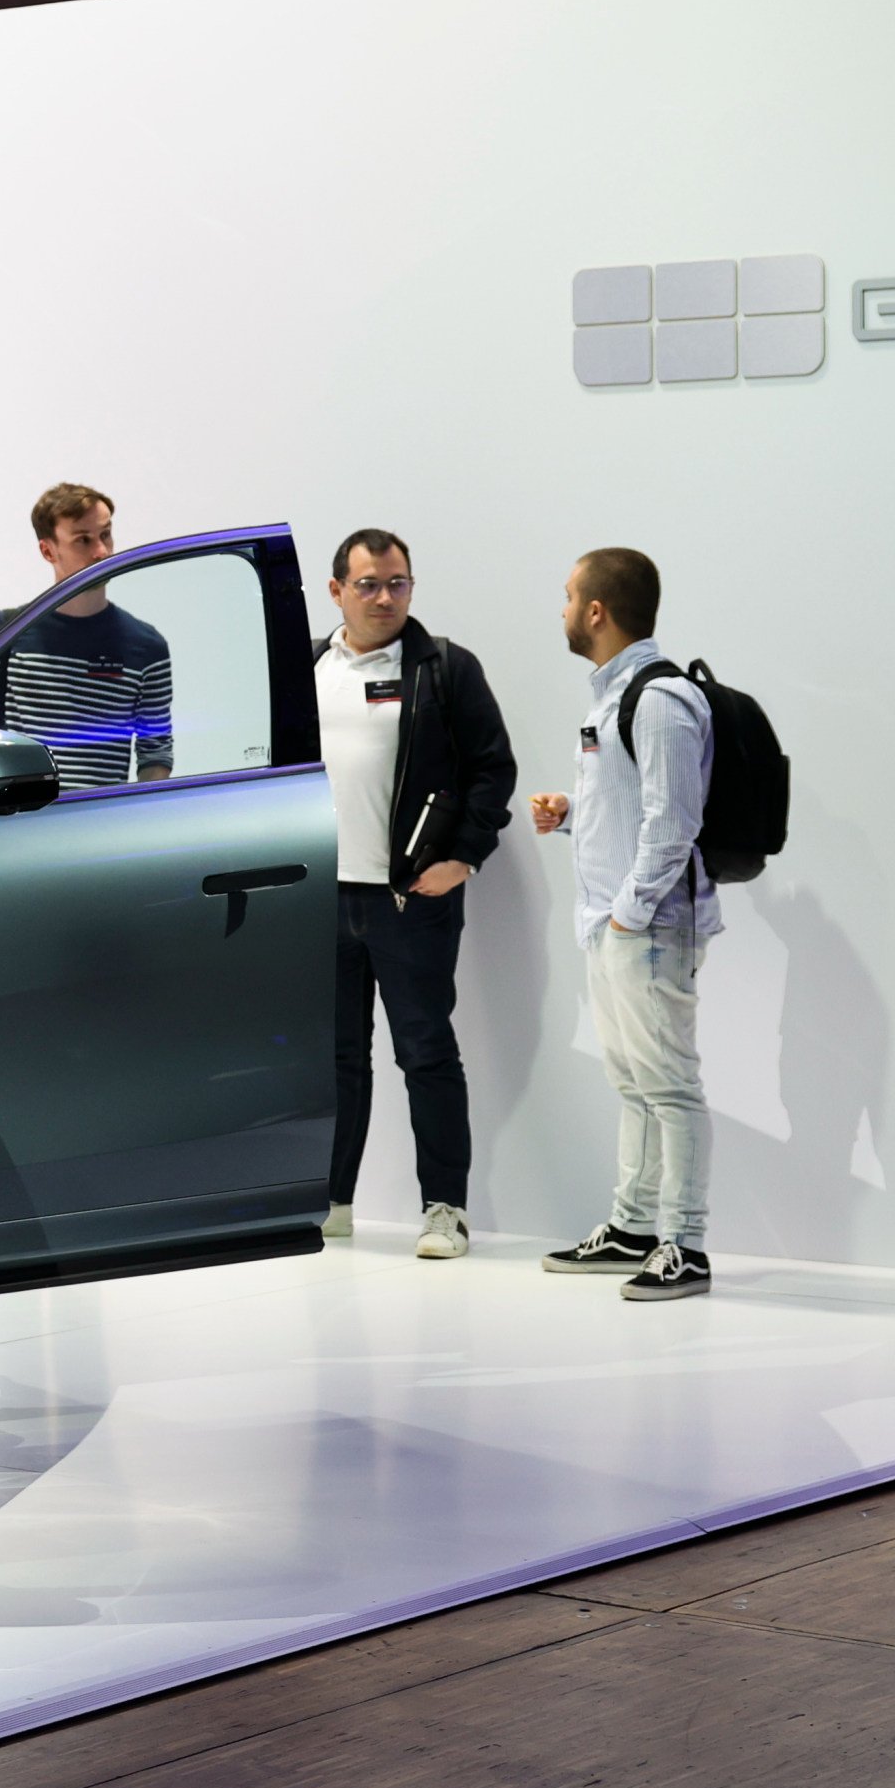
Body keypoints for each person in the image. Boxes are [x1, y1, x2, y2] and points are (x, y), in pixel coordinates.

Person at [315, 529, 517, 1261]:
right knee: (336, 1056)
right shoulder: (308, 665)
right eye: (368, 583)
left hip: (409, 899)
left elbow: (492, 770)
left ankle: (444, 1209)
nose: (384, 597)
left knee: (425, 1052)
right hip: (323, 897)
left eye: (397, 582)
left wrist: (461, 856)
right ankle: (331, 1202)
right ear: (336, 589)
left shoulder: (443, 668)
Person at [527, 547, 719, 1301]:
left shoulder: (660, 698)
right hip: (614, 924)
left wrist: (628, 916)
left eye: (569, 595)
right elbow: (631, 809)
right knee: (636, 1085)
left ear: (597, 611)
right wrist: (571, 816)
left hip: (645, 927)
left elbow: (672, 824)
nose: (565, 608)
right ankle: (634, 1228)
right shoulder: (611, 697)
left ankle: (687, 1245)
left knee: (669, 1086)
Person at [0, 483, 171, 788]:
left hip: (101, 826)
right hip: (17, 826)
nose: (102, 552)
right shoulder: (0, 633)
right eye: (83, 540)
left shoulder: (147, 646)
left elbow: (156, 754)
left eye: (105, 534)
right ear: (48, 550)